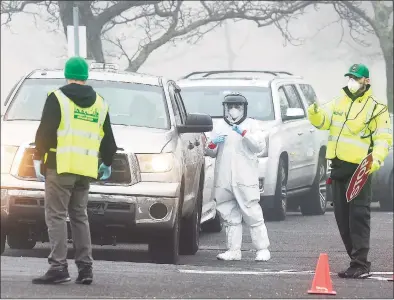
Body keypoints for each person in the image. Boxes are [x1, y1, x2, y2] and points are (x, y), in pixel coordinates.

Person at [32, 57, 118, 285]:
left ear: (66, 75)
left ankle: (58, 267)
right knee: (80, 216)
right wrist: (106, 162)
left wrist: (38, 157)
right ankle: (85, 268)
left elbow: (44, 133)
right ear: (85, 76)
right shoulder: (100, 102)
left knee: (57, 216)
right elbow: (108, 141)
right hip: (86, 169)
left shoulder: (57, 98)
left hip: (61, 167)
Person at [307, 63, 392, 279]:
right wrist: (314, 111)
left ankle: (360, 263)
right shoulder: (339, 102)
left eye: (356, 78)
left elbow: (383, 139)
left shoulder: (377, 108)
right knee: (342, 219)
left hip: (360, 171)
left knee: (358, 217)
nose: (352, 81)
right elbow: (322, 122)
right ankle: (355, 262)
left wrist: (374, 161)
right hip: (338, 169)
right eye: (350, 77)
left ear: (367, 81)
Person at [206, 92, 271, 261]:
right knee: (228, 214)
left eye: (237, 107)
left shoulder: (252, 125)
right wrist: (212, 144)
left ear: (244, 109)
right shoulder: (219, 126)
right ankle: (233, 250)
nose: (233, 110)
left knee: (252, 213)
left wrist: (244, 134)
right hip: (224, 177)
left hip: (245, 178)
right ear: (225, 108)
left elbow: (259, 147)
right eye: (230, 107)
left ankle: (262, 249)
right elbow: (210, 151)